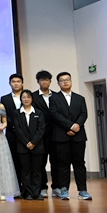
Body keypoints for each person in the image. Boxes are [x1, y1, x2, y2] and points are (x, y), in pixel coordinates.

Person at [49, 72, 90, 201]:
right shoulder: (54, 98)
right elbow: (55, 114)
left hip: (78, 136)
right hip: (62, 136)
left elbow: (84, 114)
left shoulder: (80, 98)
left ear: (71, 81)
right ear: (58, 83)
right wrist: (70, 126)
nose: (65, 82)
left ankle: (82, 190)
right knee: (63, 163)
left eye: (67, 79)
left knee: (79, 163)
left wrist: (76, 126)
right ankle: (64, 190)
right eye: (62, 80)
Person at [32, 70, 59, 198]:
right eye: (42, 80)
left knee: (56, 161)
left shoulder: (57, 96)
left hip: (56, 134)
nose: (44, 82)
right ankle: (43, 187)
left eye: (47, 80)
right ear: (38, 82)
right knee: (41, 162)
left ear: (50, 81)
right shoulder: (33, 97)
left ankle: (56, 187)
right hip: (41, 135)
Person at [15, 90, 46, 200]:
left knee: (37, 170)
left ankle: (36, 192)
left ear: (32, 99)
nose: (26, 99)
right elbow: (18, 129)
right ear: (21, 99)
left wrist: (33, 142)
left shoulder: (39, 113)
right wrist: (26, 142)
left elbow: (41, 129)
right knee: (25, 170)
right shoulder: (17, 113)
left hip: (37, 146)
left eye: (28, 97)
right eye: (24, 97)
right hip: (23, 147)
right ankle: (27, 192)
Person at [0, 73, 24, 195]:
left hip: (27, 134)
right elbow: (4, 116)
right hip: (12, 133)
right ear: (10, 83)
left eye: (18, 81)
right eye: (13, 82)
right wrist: (14, 126)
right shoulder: (5, 99)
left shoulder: (28, 96)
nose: (16, 84)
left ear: (22, 83)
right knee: (15, 161)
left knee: (26, 162)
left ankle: (28, 188)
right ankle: (17, 188)